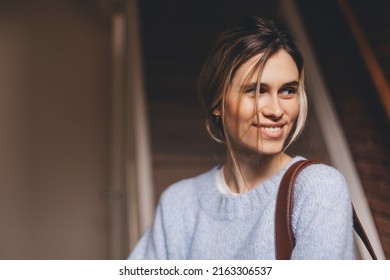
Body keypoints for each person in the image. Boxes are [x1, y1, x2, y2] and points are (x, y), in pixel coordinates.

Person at [129, 16, 355, 259]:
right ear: (217, 103)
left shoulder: (317, 188)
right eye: (255, 91)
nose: (276, 110)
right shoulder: (178, 203)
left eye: (288, 91)